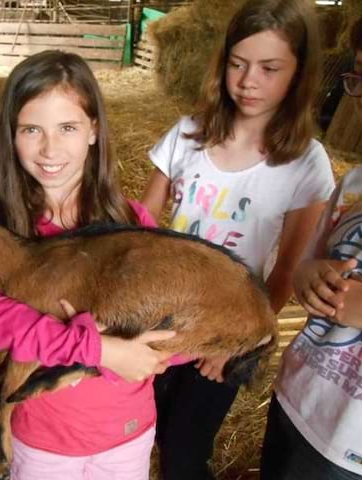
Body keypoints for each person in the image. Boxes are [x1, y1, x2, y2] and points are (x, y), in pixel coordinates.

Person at [140, 0, 335, 478]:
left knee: (185, 451)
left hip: (227, 334)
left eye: (269, 68)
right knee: (150, 432)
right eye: (238, 64)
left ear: (297, 74)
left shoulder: (306, 163)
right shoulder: (188, 134)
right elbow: (142, 225)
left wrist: (239, 342)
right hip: (160, 317)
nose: (249, 81)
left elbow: (287, 271)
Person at [0, 50, 177, 480]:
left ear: (94, 130)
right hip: (44, 440)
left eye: (67, 127)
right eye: (31, 130)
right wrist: (100, 350)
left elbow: (178, 321)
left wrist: (148, 357)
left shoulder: (132, 223)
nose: (49, 149)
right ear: (11, 134)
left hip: (127, 433)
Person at [260, 14, 362, 480]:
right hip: (299, 398)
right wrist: (308, 278)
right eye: (361, 76)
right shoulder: (356, 186)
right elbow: (305, 265)